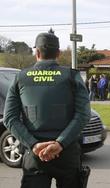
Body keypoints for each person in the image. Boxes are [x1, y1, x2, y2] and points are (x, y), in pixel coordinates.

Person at [3, 30, 90, 188]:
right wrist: (60, 144)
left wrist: (34, 144)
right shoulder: (71, 76)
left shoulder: (21, 77)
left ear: (37, 52)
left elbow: (10, 118)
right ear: (58, 53)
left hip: (35, 155)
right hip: (67, 153)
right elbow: (83, 115)